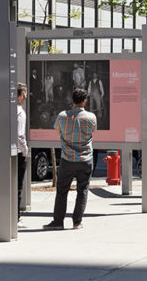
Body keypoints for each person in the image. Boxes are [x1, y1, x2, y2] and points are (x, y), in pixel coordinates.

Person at [44, 88, 97, 230]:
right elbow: (92, 132)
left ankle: (58, 222)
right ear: (84, 101)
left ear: (72, 100)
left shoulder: (62, 116)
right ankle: (77, 222)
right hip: (86, 159)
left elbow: (58, 131)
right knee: (83, 190)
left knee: (62, 190)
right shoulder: (91, 117)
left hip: (67, 159)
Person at [0, 83, 28, 227]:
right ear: (21, 95)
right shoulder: (19, 112)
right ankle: (15, 219)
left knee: (5, 186)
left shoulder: (4, 109)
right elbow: (20, 135)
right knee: (16, 187)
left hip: (3, 150)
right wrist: (25, 150)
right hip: (16, 153)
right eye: (25, 95)